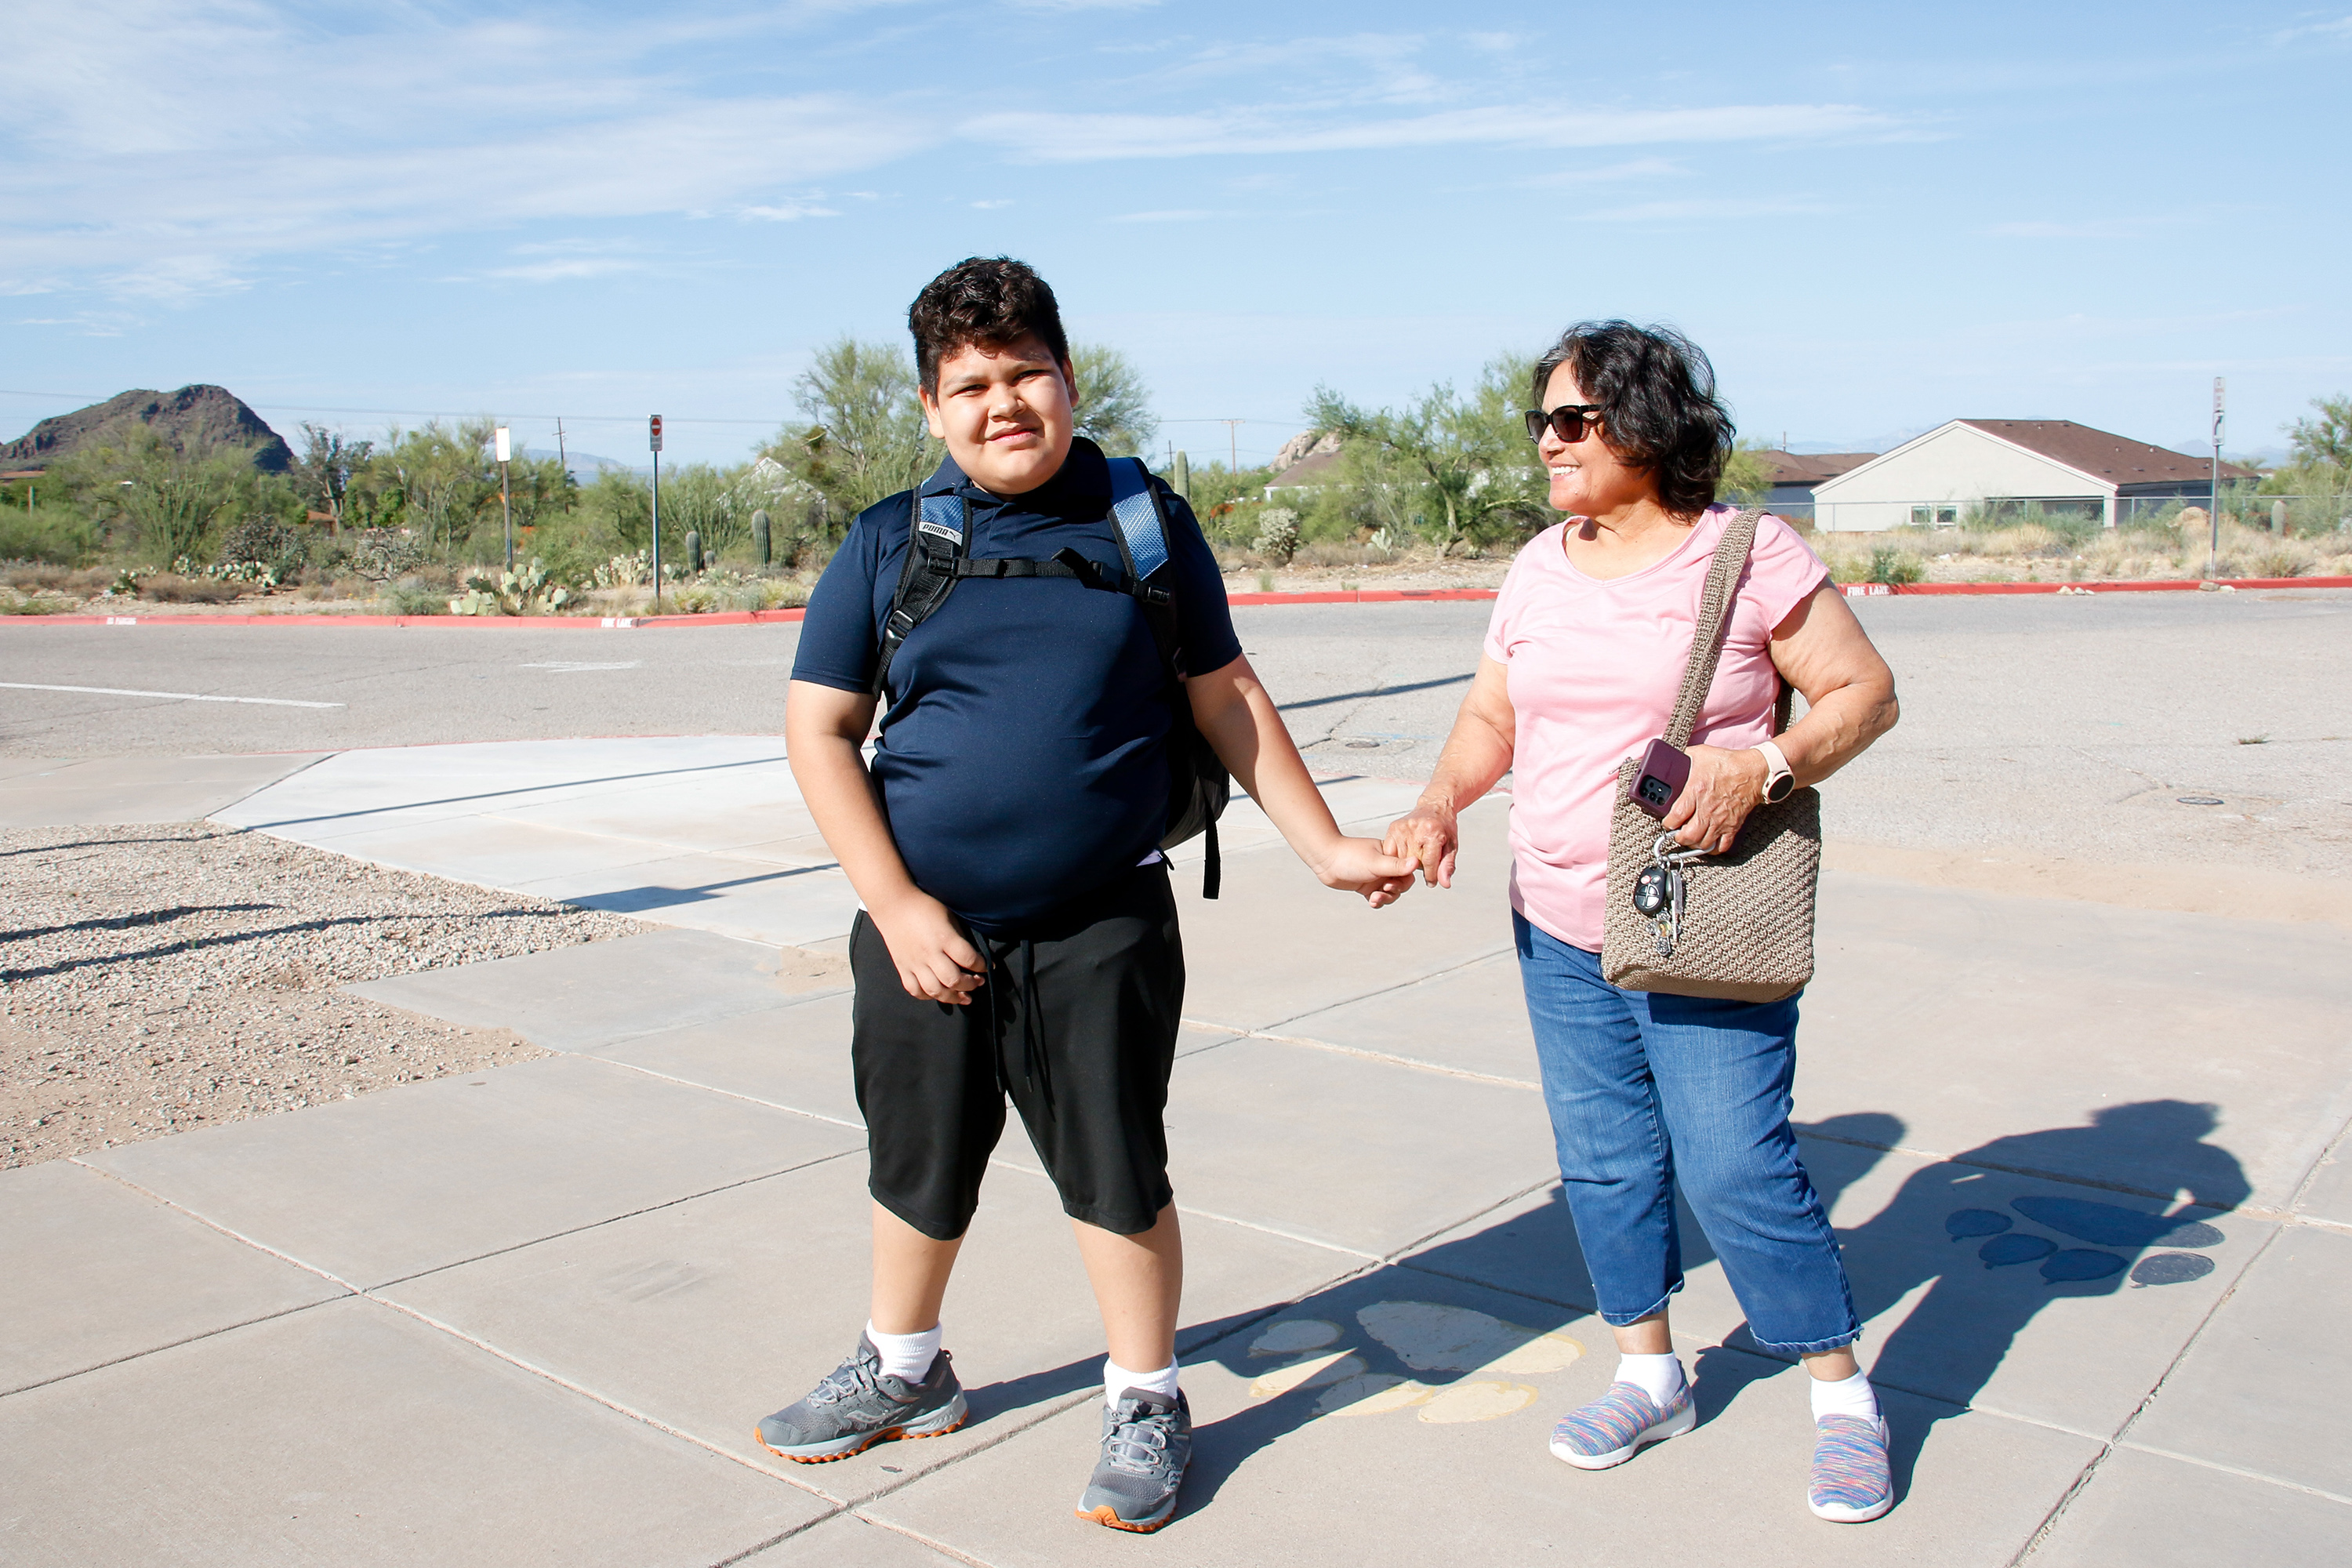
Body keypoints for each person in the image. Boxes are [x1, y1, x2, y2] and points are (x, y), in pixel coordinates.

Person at [760, 256, 1414, 1534]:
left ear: (1068, 378)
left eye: (1025, 375)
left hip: (1103, 920)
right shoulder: (891, 543)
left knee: (1115, 1167)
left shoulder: (1144, 525)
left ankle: (1147, 1397)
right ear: (931, 408)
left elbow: (1224, 693)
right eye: (971, 385)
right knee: (919, 1160)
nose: (1003, 404)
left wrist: (1328, 845)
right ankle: (904, 1369)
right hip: (923, 926)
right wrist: (896, 904)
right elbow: (820, 733)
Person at [1385, 320, 1902, 1523]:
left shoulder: (1748, 555)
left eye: (1577, 420)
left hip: (1699, 919)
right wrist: (1437, 801)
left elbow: (1865, 693)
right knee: (1606, 1167)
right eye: (1544, 423)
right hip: (1557, 923)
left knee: (1734, 1164)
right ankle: (1650, 1372)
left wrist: (1765, 763)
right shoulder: (1536, 567)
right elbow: (1489, 719)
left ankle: (1840, 1396)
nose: (1551, 443)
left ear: (1649, 426)